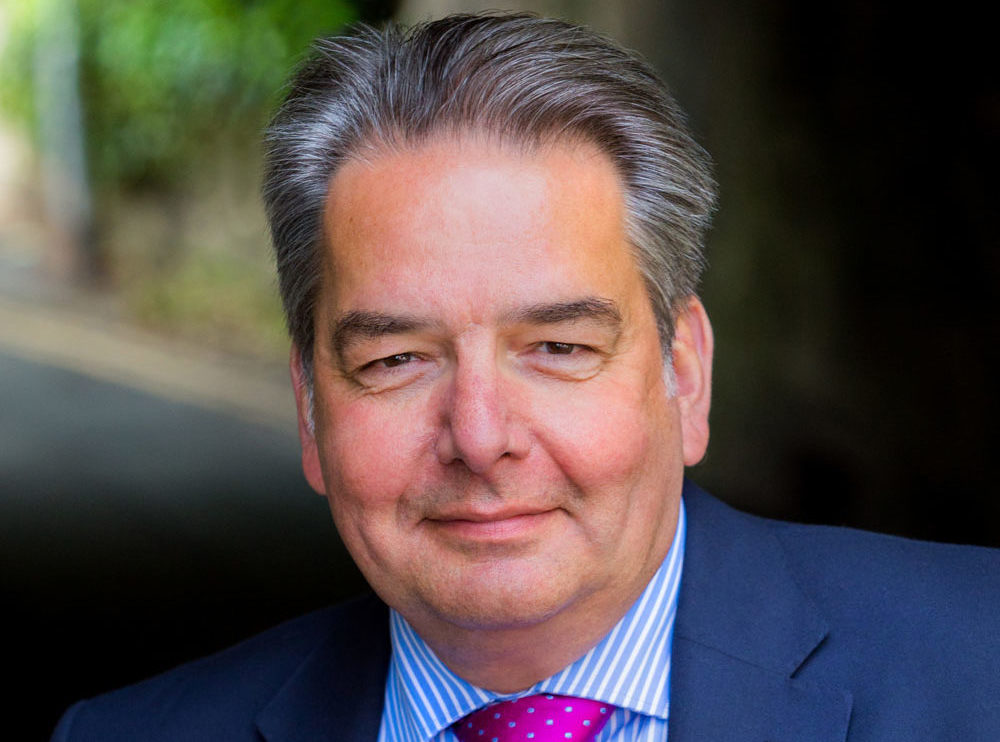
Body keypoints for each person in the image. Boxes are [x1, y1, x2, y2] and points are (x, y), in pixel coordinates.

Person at [52, 12, 999, 742]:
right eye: (395, 360)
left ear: (686, 374)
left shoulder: (980, 662)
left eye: (558, 348)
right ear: (310, 412)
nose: (480, 433)